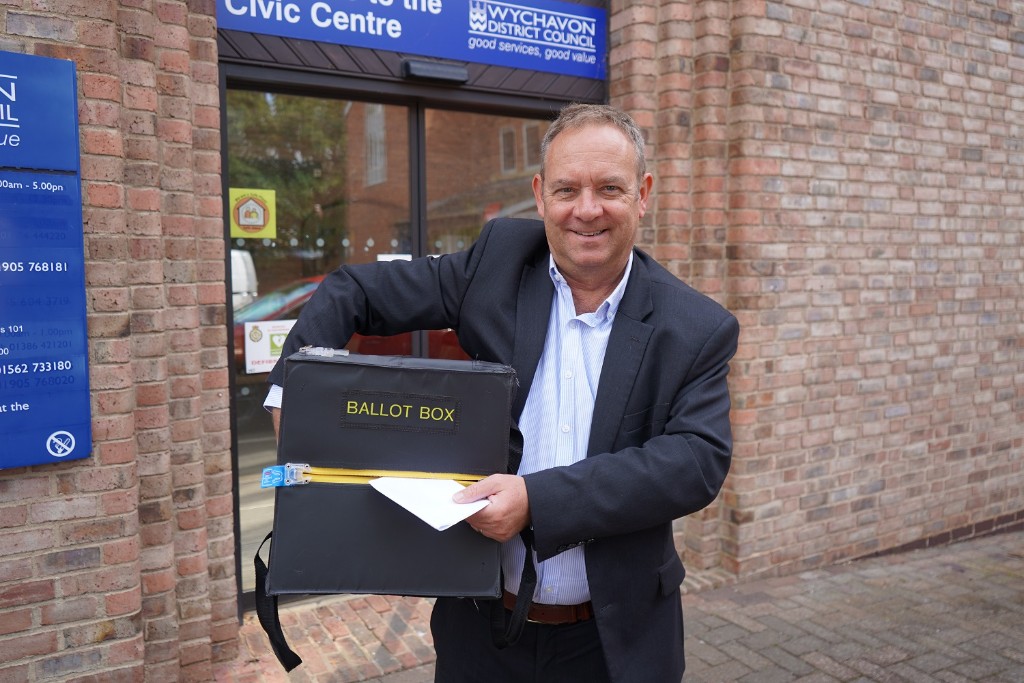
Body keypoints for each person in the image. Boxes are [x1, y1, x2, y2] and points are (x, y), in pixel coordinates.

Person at [265, 103, 739, 683]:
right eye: (567, 189)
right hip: (483, 632)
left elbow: (695, 461)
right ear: (540, 195)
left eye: (608, 188)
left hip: (616, 643)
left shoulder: (694, 325)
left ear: (642, 194)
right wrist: (293, 387)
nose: (586, 210)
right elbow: (353, 289)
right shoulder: (495, 266)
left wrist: (536, 501)